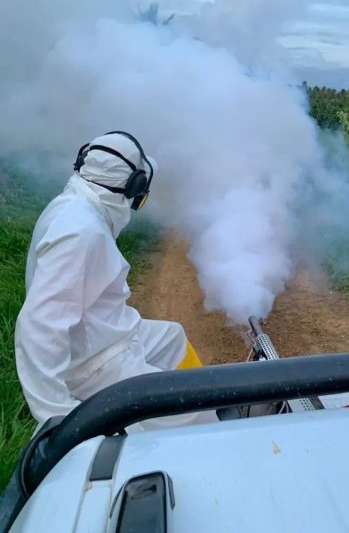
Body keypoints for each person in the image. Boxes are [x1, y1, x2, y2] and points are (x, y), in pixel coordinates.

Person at [14, 131, 213, 430]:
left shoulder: (78, 206)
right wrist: (57, 416)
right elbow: (39, 326)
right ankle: (199, 421)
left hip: (104, 333)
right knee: (194, 408)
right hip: (93, 363)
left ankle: (196, 396)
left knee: (173, 337)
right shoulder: (80, 232)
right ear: (133, 187)